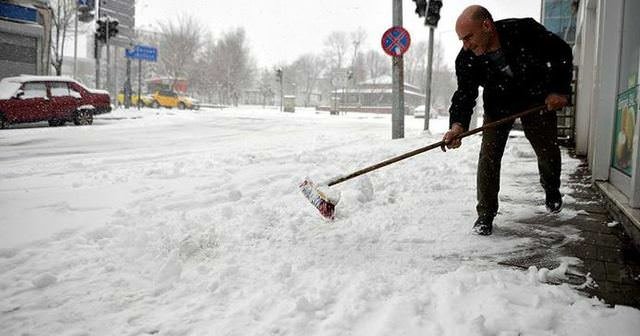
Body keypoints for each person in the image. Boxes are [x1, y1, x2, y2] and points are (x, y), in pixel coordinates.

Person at [442, 5, 573, 236]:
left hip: (536, 99)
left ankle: (552, 188)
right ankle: (485, 214)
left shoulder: (524, 31)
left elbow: (561, 51)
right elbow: (464, 94)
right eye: (461, 40)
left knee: (547, 151)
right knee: (489, 156)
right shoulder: (466, 59)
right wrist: (457, 126)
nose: (466, 45)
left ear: (486, 25)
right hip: (499, 106)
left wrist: (559, 90)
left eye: (468, 37)